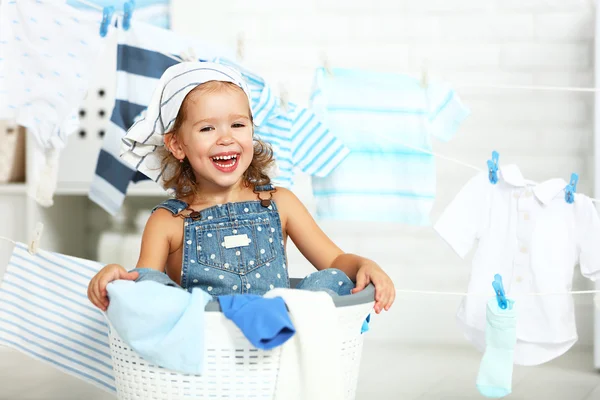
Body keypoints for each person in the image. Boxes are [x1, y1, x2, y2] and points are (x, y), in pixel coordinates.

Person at [87, 62, 395, 314]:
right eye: (207, 128)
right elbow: (147, 289)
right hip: (210, 348)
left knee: (332, 280)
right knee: (148, 282)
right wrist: (119, 279)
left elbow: (334, 262)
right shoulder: (168, 222)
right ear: (177, 144)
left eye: (238, 125)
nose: (226, 138)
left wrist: (364, 265)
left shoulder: (281, 203)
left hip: (282, 339)